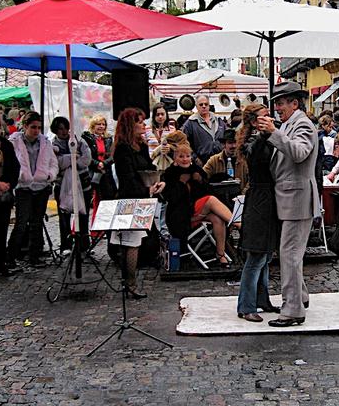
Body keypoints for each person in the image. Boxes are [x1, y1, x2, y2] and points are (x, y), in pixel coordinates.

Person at [255, 80, 318, 327]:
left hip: (297, 198)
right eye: (276, 104)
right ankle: (300, 296)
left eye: (281, 103)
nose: (277, 108)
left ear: (294, 103)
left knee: (289, 253)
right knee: (292, 252)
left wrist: (274, 133)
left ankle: (292, 310)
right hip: (292, 197)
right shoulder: (291, 123)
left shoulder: (302, 124)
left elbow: (299, 153)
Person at [234, 103, 281, 321]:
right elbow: (254, 155)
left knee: (264, 254)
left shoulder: (261, 138)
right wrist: (266, 135)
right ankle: (246, 306)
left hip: (266, 197)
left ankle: (262, 300)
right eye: (264, 117)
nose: (269, 119)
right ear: (254, 122)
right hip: (260, 199)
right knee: (256, 256)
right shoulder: (253, 141)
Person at [113, 107, 165, 298]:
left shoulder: (141, 146)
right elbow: (126, 178)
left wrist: (157, 181)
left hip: (144, 198)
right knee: (131, 242)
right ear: (130, 125)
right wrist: (146, 189)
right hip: (129, 199)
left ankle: (131, 282)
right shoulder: (122, 149)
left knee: (137, 241)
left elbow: (150, 167)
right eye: (139, 122)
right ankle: (130, 283)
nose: (143, 125)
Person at [161, 144, 235, 267]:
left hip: (196, 211)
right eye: (181, 156)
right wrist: (181, 183)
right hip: (180, 216)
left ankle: (220, 254)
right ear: (175, 158)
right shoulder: (169, 173)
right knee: (210, 200)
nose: (185, 159)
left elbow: (207, 189)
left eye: (187, 156)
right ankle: (237, 223)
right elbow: (172, 198)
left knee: (217, 218)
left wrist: (200, 180)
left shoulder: (196, 170)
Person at [7, 111, 58, 268]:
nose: (36, 130)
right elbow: (12, 162)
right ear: (25, 126)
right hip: (23, 187)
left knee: (37, 223)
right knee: (21, 223)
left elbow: (53, 162)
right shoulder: (14, 142)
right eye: (33, 127)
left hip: (41, 186)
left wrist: (49, 175)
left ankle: (34, 256)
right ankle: (11, 256)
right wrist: (20, 175)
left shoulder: (45, 142)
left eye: (38, 127)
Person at [51, 116, 93, 253]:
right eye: (60, 129)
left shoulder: (78, 141)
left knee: (83, 215)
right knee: (64, 216)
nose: (63, 132)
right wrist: (72, 158)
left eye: (65, 128)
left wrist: (70, 162)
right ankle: (66, 245)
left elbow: (86, 159)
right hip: (62, 185)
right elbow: (56, 163)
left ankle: (84, 244)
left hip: (83, 183)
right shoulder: (53, 145)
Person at [0, 110, 20, 277]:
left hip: (4, 196)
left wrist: (8, 184)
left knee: (0, 234)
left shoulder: (6, 145)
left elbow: (15, 167)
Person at [82, 114, 116, 214]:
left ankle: (101, 227)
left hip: (105, 172)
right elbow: (86, 155)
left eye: (103, 124)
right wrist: (97, 164)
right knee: (86, 201)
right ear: (93, 125)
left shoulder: (108, 139)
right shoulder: (87, 138)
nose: (101, 126)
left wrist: (104, 163)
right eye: (98, 124)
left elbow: (112, 156)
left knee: (105, 201)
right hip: (92, 171)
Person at [181, 93, 227, 165]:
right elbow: (185, 144)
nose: (204, 106)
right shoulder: (190, 123)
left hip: (220, 160)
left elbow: (227, 137)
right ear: (196, 106)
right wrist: (195, 158)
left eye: (206, 104)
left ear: (209, 105)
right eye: (201, 104)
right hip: (202, 162)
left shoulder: (218, 120)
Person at [145, 103, 173, 170]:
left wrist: (170, 148)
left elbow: (177, 146)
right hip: (151, 162)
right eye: (157, 115)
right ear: (154, 116)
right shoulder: (147, 129)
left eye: (162, 114)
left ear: (166, 115)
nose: (160, 117)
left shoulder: (172, 129)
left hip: (167, 164)